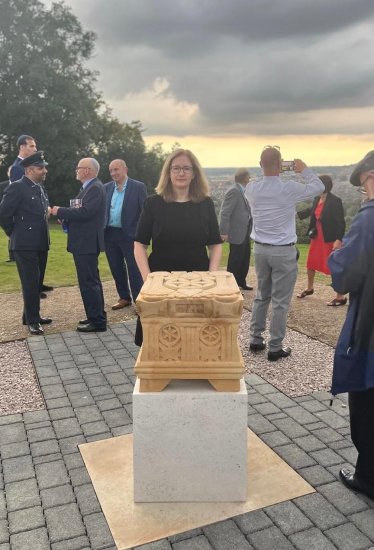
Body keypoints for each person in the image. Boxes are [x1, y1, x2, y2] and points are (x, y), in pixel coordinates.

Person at [134, 148, 222, 345]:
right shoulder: (153, 203)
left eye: (186, 168)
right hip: (161, 281)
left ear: (194, 174)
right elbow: (139, 245)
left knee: (196, 340)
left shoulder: (205, 203)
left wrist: (211, 277)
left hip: (198, 282)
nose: (181, 173)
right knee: (158, 340)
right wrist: (149, 280)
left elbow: (215, 244)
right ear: (168, 172)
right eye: (176, 168)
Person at [245, 146, 324, 361]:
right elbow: (319, 186)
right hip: (283, 251)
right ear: (281, 165)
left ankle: (255, 339)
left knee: (262, 295)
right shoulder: (289, 188)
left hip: (260, 250)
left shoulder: (251, 189)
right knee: (280, 301)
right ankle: (275, 346)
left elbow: (255, 184)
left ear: (260, 164)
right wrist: (303, 170)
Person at [328, 150, 374, 501]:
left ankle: (368, 479)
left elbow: (344, 276)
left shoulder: (369, 219)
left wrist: (336, 254)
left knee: (367, 408)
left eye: (363, 187)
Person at [51, 158, 107, 332]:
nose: (76, 170)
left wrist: (58, 210)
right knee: (91, 281)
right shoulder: (87, 188)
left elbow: (85, 212)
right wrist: (66, 216)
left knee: (88, 282)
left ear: (87, 170)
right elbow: (79, 211)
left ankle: (97, 321)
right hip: (85, 242)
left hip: (86, 243)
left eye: (79, 168)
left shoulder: (95, 188)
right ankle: (96, 315)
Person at [0, 151, 52, 335]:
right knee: (30, 282)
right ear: (29, 170)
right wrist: (13, 233)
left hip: (40, 242)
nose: (44, 171)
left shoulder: (39, 187)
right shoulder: (17, 187)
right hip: (24, 244)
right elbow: (3, 213)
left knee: (37, 282)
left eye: (44, 167)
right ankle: (33, 320)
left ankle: (30, 315)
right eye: (40, 168)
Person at [10, 135, 53, 294]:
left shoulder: (36, 167)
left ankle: (37, 290)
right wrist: (13, 230)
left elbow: (40, 190)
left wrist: (46, 207)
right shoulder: (17, 168)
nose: (35, 149)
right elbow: (17, 197)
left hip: (38, 231)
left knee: (35, 274)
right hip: (26, 230)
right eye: (32, 146)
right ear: (22, 147)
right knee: (30, 279)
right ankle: (32, 311)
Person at [104, 159, 147, 310]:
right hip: (109, 234)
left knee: (134, 270)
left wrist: (143, 237)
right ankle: (124, 297)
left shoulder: (138, 187)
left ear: (125, 169)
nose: (113, 173)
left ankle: (140, 302)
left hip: (130, 236)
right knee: (116, 268)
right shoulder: (107, 188)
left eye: (116, 170)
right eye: (111, 171)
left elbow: (145, 213)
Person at [297, 175, 346, 306]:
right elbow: (310, 211)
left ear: (323, 186)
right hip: (317, 236)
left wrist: (338, 239)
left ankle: (340, 296)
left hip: (329, 238)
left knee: (333, 266)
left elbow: (340, 222)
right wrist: (295, 215)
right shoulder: (317, 198)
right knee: (311, 262)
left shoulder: (335, 201)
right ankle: (309, 288)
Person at [219, 167, 253, 291]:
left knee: (245, 257)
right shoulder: (234, 191)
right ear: (245, 178)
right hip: (236, 231)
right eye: (249, 177)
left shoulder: (243, 190)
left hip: (245, 230)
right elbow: (224, 212)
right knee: (236, 259)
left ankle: (241, 281)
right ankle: (231, 286)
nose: (250, 179)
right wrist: (223, 231)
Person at [0, 167, 14, 263]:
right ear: (8, 173)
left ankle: (16, 255)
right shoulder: (2, 186)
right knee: (10, 234)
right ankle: (12, 256)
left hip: (18, 214)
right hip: (5, 215)